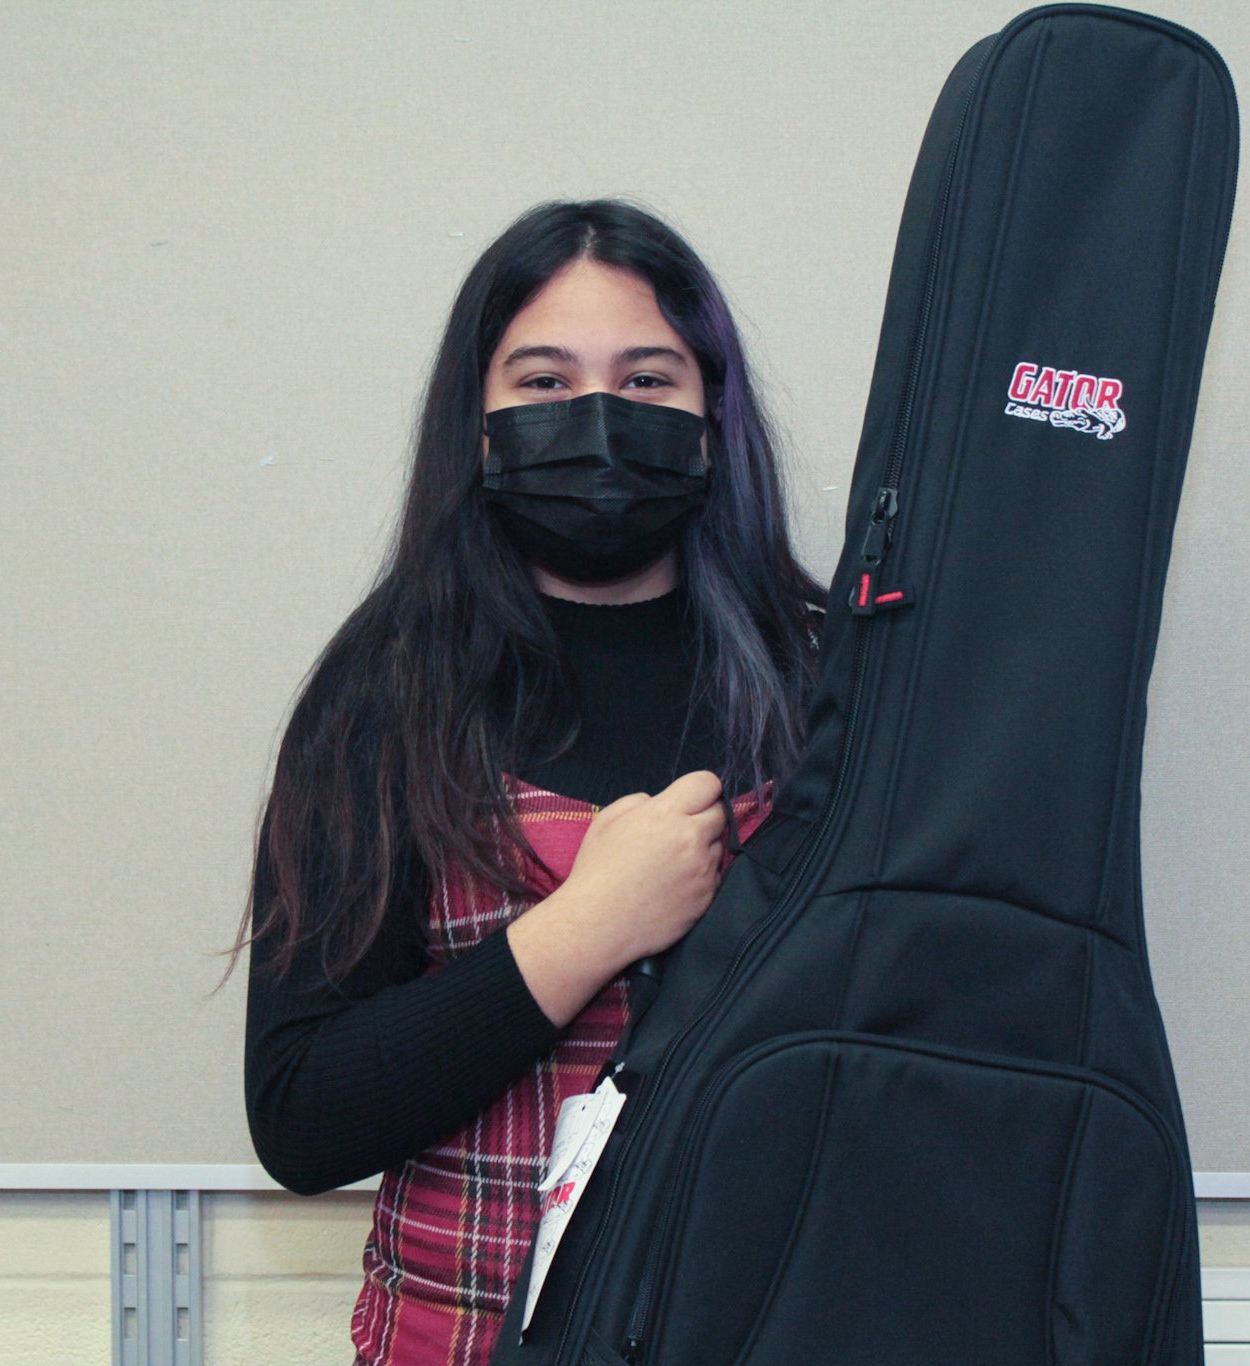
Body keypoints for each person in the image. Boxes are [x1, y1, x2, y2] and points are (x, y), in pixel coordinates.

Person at [223, 197, 827, 1366]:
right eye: (543, 383)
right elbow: (299, 1116)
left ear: (712, 420)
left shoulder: (827, 689)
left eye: (647, 379)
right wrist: (591, 926)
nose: (598, 418)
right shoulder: (381, 699)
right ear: (480, 423)